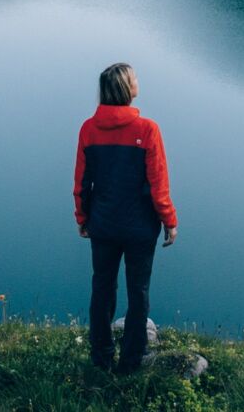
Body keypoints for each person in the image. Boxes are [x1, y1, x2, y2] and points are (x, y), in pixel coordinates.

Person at [73, 62, 178, 374]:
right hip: (140, 228)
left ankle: (101, 356)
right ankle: (132, 360)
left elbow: (82, 182)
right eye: (134, 78)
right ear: (126, 88)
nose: (138, 81)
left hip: (103, 224)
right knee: (138, 291)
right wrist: (169, 220)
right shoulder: (147, 130)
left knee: (102, 288)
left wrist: (82, 217)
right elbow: (158, 183)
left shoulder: (89, 129)